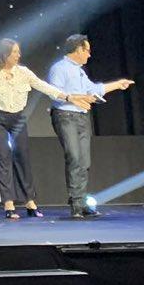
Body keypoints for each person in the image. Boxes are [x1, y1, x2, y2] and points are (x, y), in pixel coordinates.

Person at [0, 38, 93, 219]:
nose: (18, 55)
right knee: (3, 157)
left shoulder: (23, 72)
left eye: (18, 52)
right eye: (15, 52)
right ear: (5, 54)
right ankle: (8, 203)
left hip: (17, 119)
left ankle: (30, 202)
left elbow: (44, 86)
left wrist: (68, 97)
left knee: (22, 157)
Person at [46, 34, 133, 219]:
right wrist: (77, 99)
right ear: (78, 50)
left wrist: (118, 84)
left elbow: (93, 90)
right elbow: (54, 93)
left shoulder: (79, 71)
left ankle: (82, 202)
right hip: (66, 116)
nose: (89, 55)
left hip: (82, 117)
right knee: (74, 158)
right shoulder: (59, 68)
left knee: (84, 161)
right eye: (87, 50)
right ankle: (76, 203)